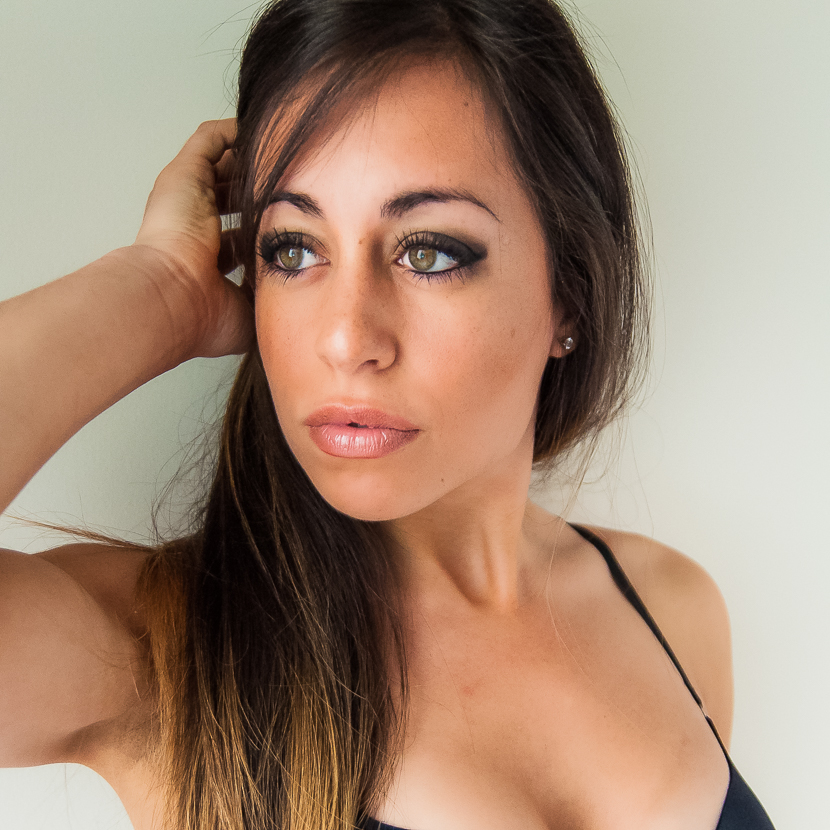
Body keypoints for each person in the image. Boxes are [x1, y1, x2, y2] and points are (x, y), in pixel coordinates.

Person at [0, 0, 777, 828]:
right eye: (293, 248)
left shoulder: (674, 608)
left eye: (428, 252)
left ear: (570, 295)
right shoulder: (160, 655)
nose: (345, 338)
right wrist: (159, 290)